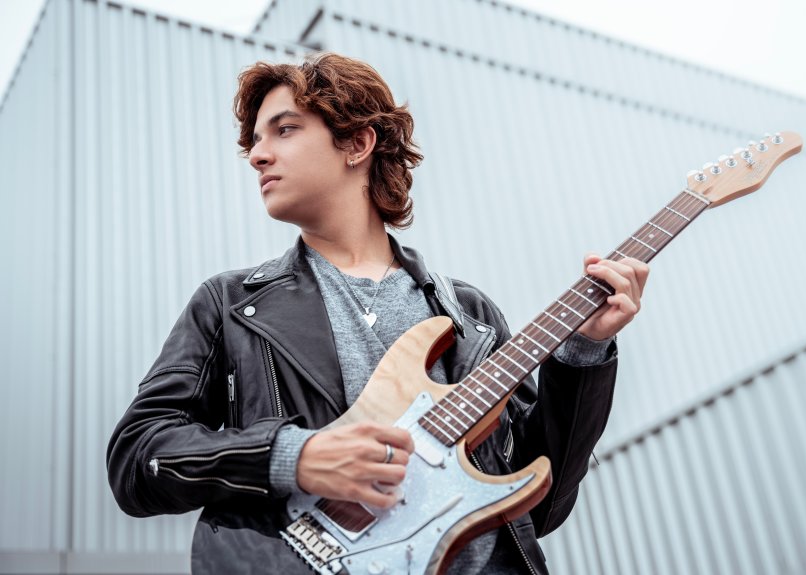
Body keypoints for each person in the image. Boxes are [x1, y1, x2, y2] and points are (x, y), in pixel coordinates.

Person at [107, 53, 648, 574]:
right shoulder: (229, 305)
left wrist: (584, 350)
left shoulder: (471, 316)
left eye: (284, 130)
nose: (257, 155)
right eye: (255, 141)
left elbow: (540, 507)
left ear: (357, 143)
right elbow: (138, 457)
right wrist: (292, 456)